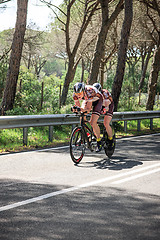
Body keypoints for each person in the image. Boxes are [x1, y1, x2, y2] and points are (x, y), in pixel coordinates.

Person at [72, 82, 103, 152]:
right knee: (82, 117)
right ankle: (85, 135)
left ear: (83, 90)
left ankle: (99, 141)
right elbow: (78, 106)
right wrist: (76, 109)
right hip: (88, 99)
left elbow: (88, 109)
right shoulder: (75, 94)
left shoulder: (89, 92)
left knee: (93, 122)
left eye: (80, 94)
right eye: (77, 94)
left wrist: (83, 110)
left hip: (98, 100)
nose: (78, 96)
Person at [93, 83, 114, 150]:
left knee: (106, 123)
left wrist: (105, 109)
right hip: (100, 104)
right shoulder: (92, 93)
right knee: (93, 121)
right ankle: (96, 136)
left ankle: (111, 140)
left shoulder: (104, 93)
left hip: (109, 104)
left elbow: (107, 104)